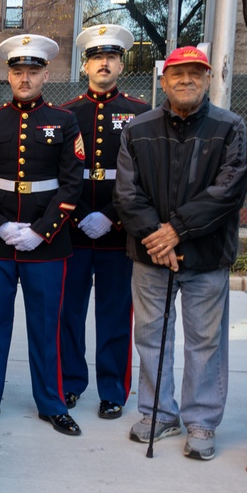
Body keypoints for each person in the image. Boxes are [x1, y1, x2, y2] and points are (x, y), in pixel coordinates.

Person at [113, 46, 247, 460]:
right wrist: (158, 236)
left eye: (195, 73)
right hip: (150, 256)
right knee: (151, 337)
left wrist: (178, 231)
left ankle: (202, 421)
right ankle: (158, 412)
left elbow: (229, 190)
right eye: (177, 74)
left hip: (207, 256)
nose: (186, 80)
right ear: (163, 80)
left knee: (205, 342)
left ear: (208, 79)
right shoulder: (138, 128)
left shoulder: (230, 127)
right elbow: (126, 193)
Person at [0, 34, 83, 436]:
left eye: (32, 71)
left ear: (46, 73)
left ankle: (52, 402)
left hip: (45, 245)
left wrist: (40, 231)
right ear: (8, 75)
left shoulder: (64, 121)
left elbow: (70, 183)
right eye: (17, 71)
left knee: (46, 326)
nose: (24, 78)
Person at [60, 25, 148, 420]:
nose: (104, 64)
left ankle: (113, 389)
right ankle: (69, 383)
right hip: (74, 232)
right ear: (85, 65)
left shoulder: (142, 113)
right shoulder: (67, 113)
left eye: (111, 57)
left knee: (115, 315)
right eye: (97, 57)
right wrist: (79, 215)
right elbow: (60, 175)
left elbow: (145, 177)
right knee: (69, 313)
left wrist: (112, 217)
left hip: (118, 234)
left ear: (120, 65)